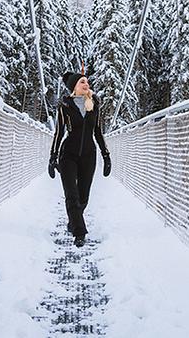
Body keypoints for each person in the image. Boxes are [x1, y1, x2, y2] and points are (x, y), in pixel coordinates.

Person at [48, 71, 111, 248]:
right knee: (72, 196)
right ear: (74, 87)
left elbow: (98, 133)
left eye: (87, 82)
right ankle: (79, 232)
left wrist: (106, 156)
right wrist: (53, 157)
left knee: (83, 198)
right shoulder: (65, 107)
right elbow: (59, 132)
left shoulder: (94, 105)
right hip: (68, 155)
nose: (86, 84)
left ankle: (74, 220)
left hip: (89, 156)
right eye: (82, 82)